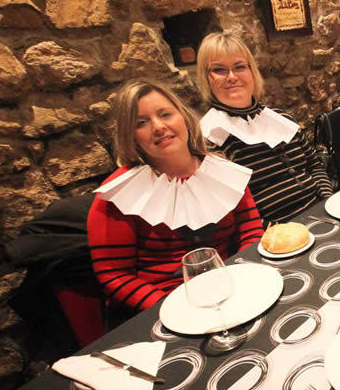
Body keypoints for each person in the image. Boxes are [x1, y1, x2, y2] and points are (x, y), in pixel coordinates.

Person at [87, 80, 263, 315]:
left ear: (185, 118)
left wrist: (244, 275)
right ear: (132, 136)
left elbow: (250, 228)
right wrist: (172, 309)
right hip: (163, 308)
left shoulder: (223, 170)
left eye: (165, 114)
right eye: (141, 123)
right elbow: (114, 274)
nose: (158, 127)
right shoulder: (117, 195)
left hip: (229, 288)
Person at [196, 32, 332, 224]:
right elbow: (234, 212)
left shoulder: (281, 118)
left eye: (240, 67)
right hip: (274, 237)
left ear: (252, 71)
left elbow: (314, 165)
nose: (232, 77)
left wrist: (328, 203)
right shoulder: (210, 138)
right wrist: (279, 233)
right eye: (219, 70)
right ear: (206, 77)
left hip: (322, 215)